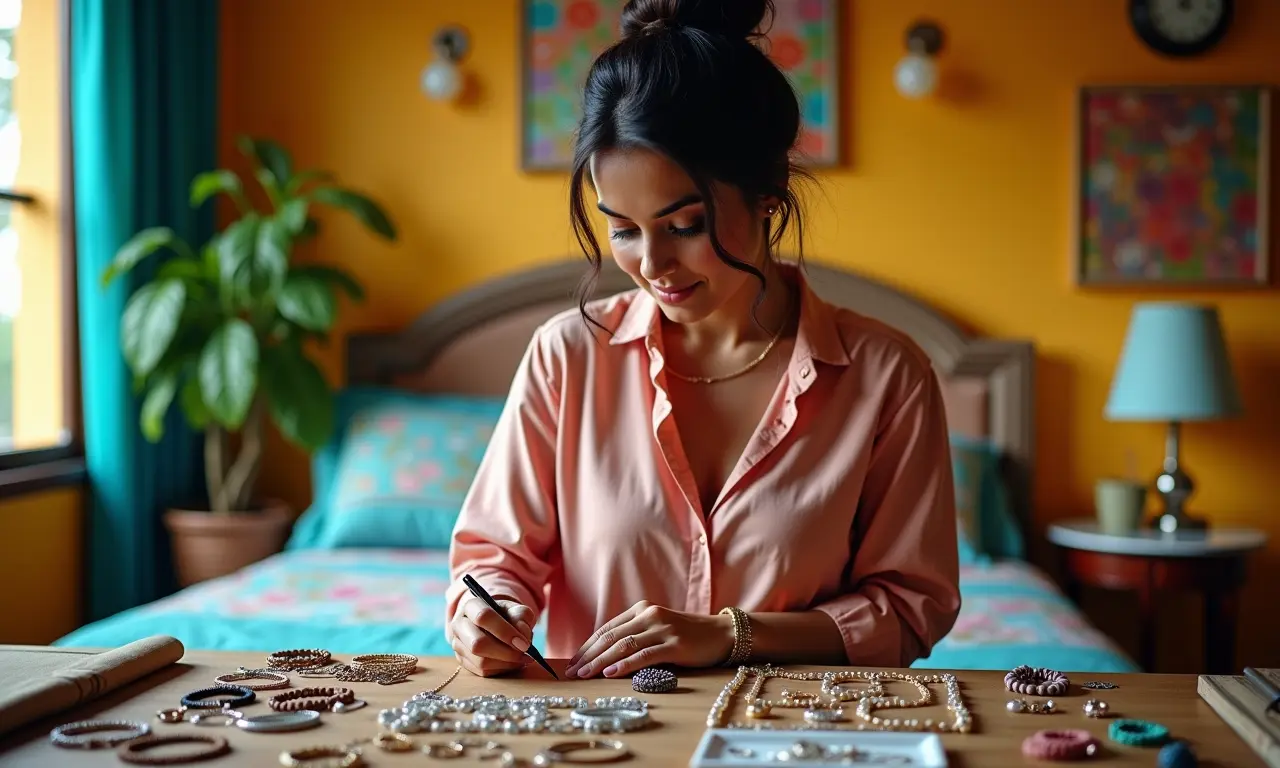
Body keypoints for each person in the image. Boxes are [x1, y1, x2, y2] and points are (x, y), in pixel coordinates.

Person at [446, 0, 960, 680]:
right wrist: (488, 612)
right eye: (623, 229)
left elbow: (909, 605)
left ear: (768, 196)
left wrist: (732, 636)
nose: (652, 264)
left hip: (795, 740)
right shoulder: (566, 357)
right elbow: (492, 561)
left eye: (684, 225)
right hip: (598, 740)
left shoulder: (888, 375)